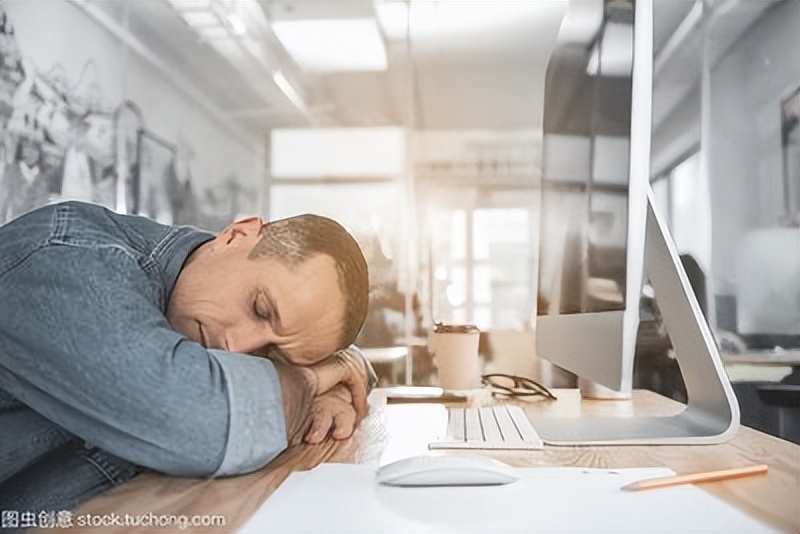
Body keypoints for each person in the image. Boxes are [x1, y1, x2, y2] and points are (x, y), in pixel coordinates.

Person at [0, 200, 374, 522]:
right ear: (236, 235)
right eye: (260, 309)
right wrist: (309, 385)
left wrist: (343, 367)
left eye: (272, 356)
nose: (237, 347)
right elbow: (202, 421)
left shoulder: (193, 299)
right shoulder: (69, 258)